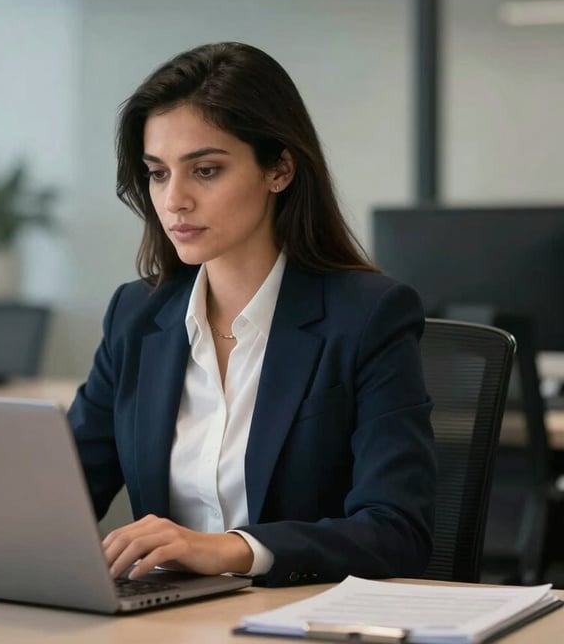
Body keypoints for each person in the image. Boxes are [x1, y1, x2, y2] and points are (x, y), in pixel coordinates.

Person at [67, 42, 437, 588]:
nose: (174, 202)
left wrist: (235, 549)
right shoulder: (136, 316)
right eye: (158, 174)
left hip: (296, 620)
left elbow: (397, 532)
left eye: (206, 170)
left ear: (279, 169)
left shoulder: (367, 317)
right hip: (164, 625)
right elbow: (61, 494)